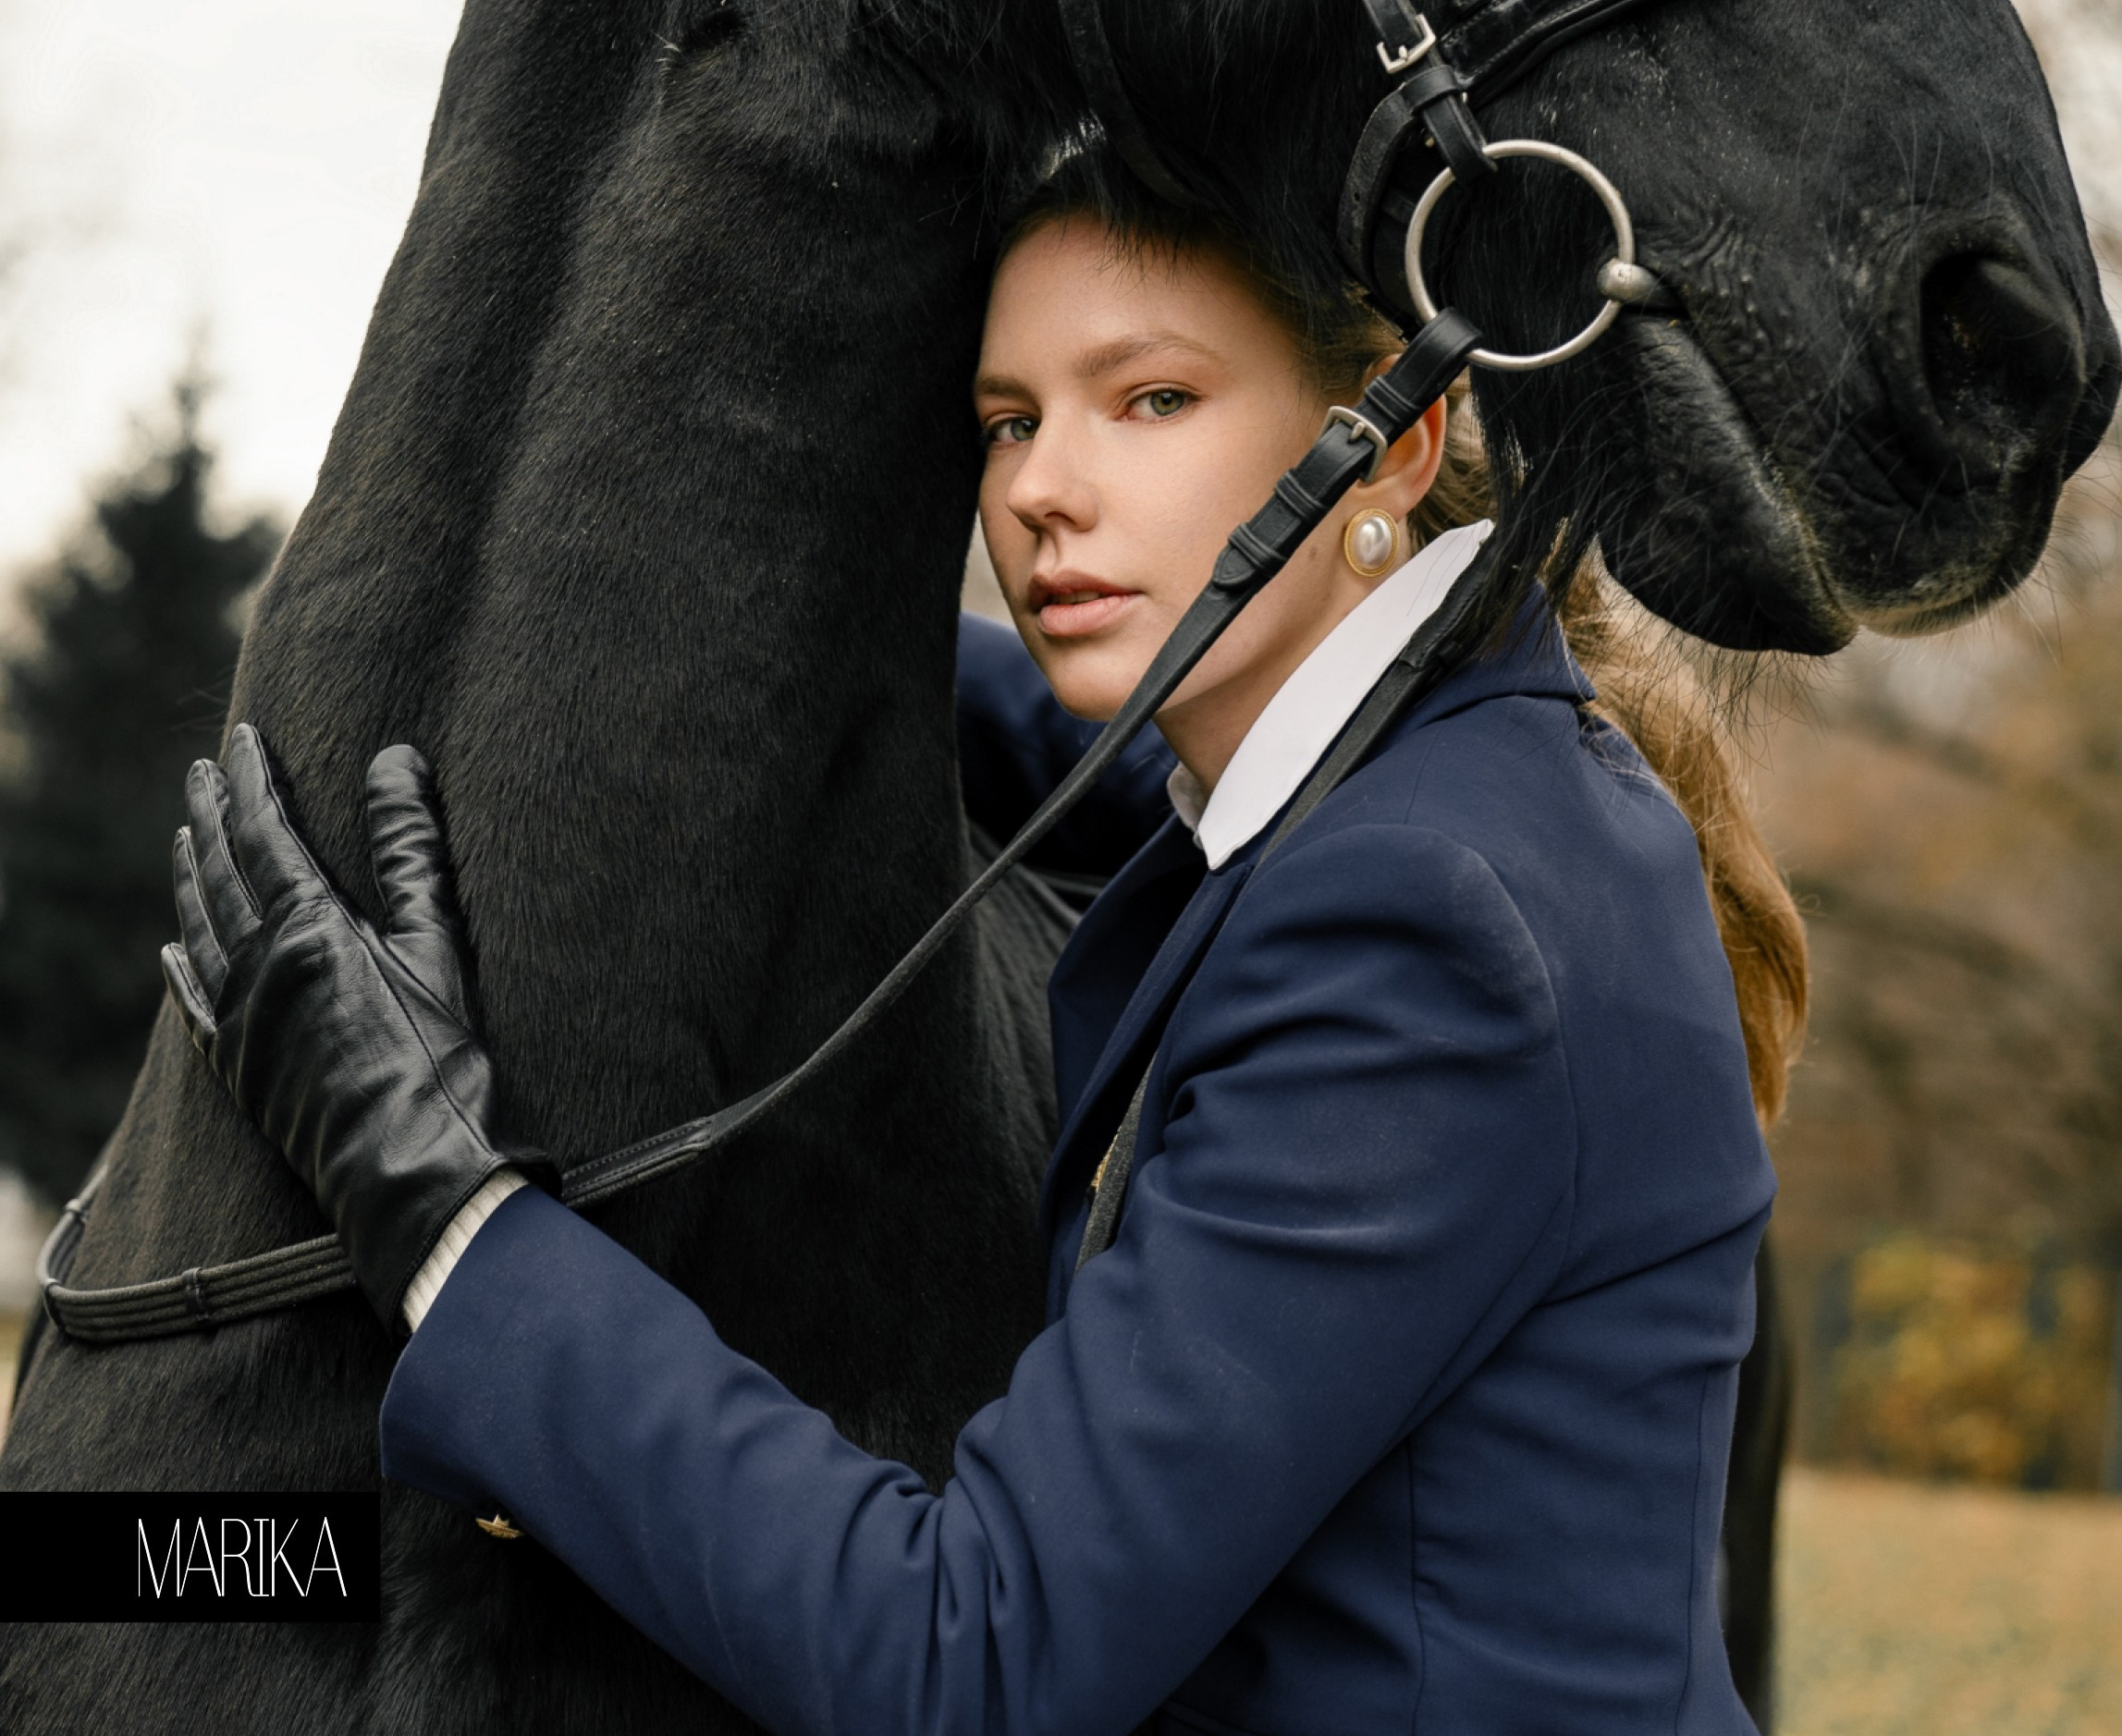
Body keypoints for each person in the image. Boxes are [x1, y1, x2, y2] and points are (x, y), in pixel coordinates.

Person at [165, 164, 1806, 1736]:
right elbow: (1087, 757)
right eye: (1009, 420)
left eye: (1150, 399)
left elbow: (975, 1664)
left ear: (1391, 443)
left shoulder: (1424, 923)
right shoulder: (1451, 769)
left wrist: (438, 1209)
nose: (1037, 490)